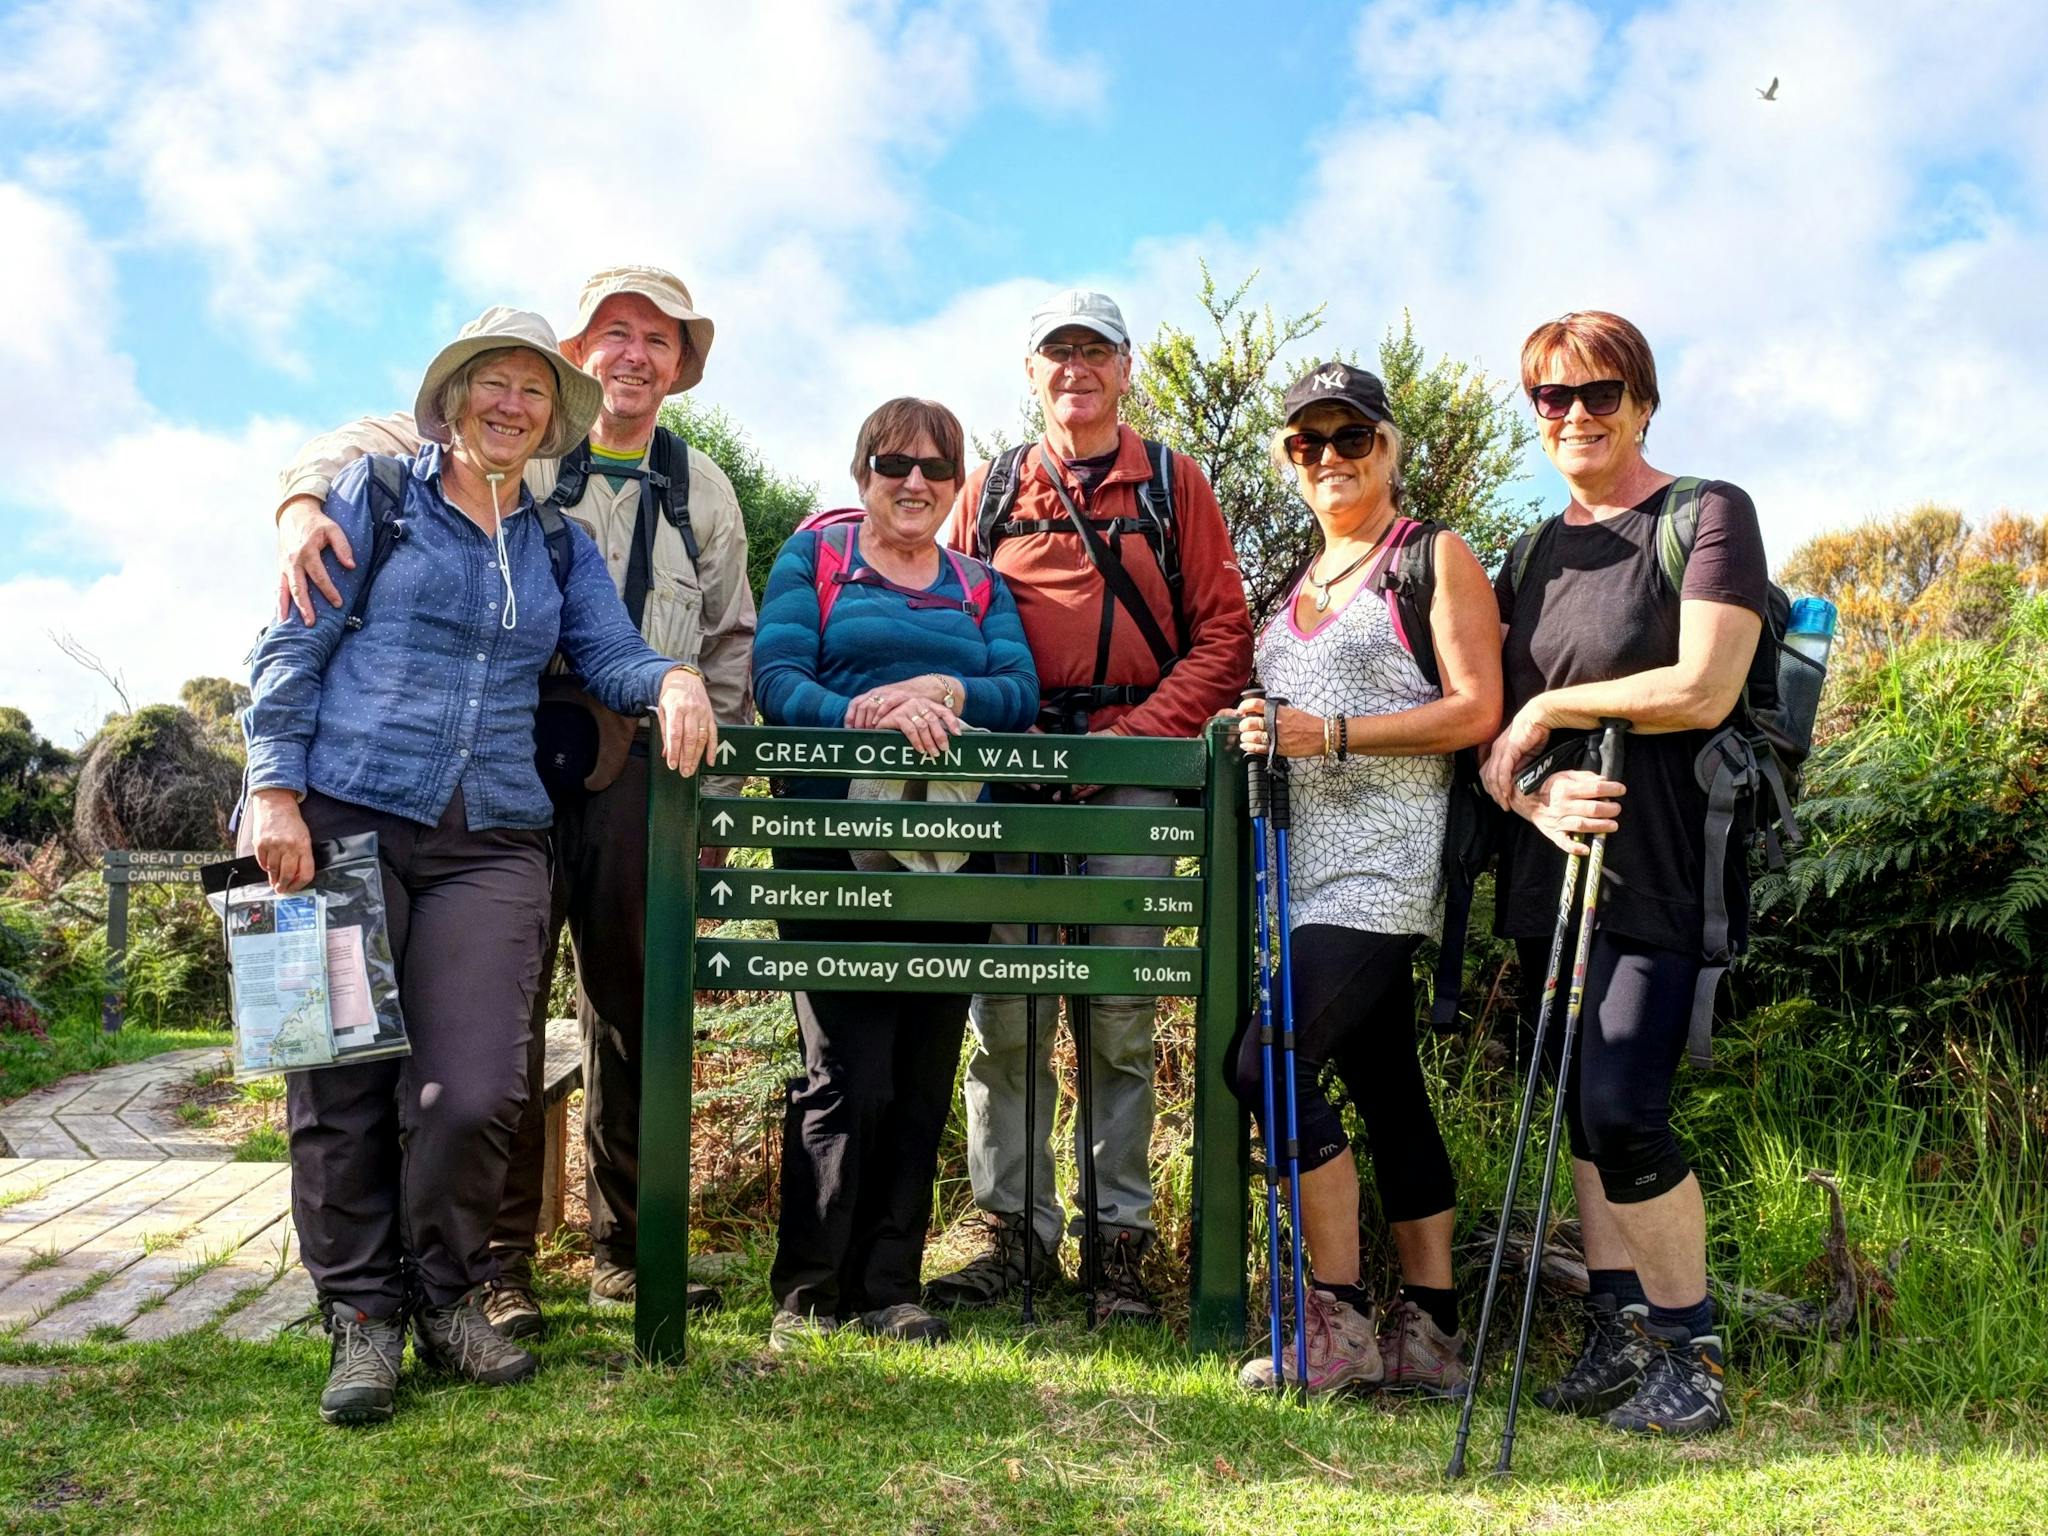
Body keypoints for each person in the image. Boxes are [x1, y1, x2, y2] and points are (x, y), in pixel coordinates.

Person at [243, 308, 711, 1426]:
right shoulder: (378, 497)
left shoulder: (557, 540)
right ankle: (364, 1320)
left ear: (554, 420)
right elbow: (292, 640)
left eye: (533, 394)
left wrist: (671, 680)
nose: (510, 406)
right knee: (340, 1078)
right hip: (345, 810)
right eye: (492, 386)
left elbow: (605, 649)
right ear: (454, 400)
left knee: (476, 1091)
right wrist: (271, 785)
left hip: (494, 833)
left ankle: (450, 1297)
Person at [924, 291, 1252, 1324]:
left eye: (1093, 351)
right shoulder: (989, 489)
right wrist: (993, 724)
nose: (1074, 368)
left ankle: (1118, 1242)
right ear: (1030, 374)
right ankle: (1009, 1234)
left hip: (1129, 772)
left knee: (1116, 1015)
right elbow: (937, 613)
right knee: (1006, 1011)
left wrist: (1132, 735)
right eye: (1054, 352)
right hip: (1012, 771)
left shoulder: (1172, 484)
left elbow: (1222, 636)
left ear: (1124, 369)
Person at [1480, 311, 1767, 1438]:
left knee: (1622, 1106)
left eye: (1599, 393)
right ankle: (1615, 1332)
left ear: (1641, 401)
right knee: (1575, 1113)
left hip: (1661, 864)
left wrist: (1552, 705)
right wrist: (1532, 787)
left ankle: (1689, 1353)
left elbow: (1701, 687)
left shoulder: (1705, 515)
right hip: (1551, 872)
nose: (1576, 416)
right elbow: (1490, 736)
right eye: (1551, 398)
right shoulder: (1530, 554)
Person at [1227, 361, 1502, 1396]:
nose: (1330, 458)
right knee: (1388, 1090)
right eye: (1307, 443)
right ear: (1286, 460)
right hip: (1291, 882)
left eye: (1351, 438)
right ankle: (1427, 1337)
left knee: (1265, 1064)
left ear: (1388, 447)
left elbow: (1473, 707)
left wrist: (1326, 735)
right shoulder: (1289, 588)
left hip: (1383, 875)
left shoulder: (1431, 557)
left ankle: (1335, 1326)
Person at [751, 398, 1038, 1349]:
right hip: (833, 851)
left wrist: (949, 691)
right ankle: (809, 1288)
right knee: (846, 1072)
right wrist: (866, 708)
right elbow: (778, 678)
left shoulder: (979, 586)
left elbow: (1019, 690)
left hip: (951, 853)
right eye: (891, 464)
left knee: (921, 1070)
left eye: (935, 468)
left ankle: (889, 1287)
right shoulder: (816, 562)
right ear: (861, 472)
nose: (913, 482)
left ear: (957, 484)